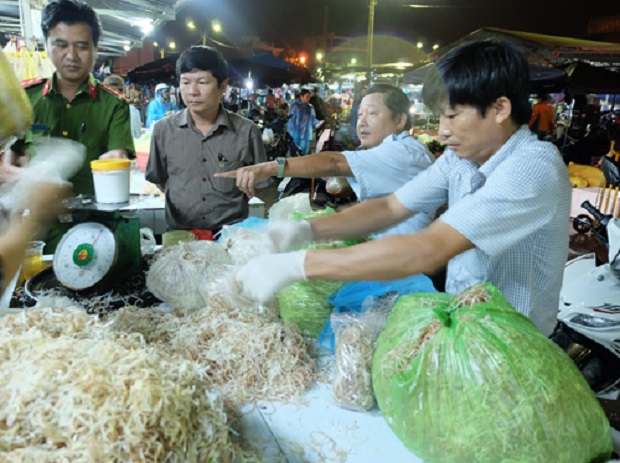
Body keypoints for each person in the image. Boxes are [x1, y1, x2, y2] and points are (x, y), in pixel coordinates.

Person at [232, 40, 571, 337]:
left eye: (452, 116)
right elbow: (391, 207)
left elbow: (428, 249)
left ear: (500, 109)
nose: (441, 133)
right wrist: (306, 230)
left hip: (513, 341)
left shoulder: (532, 166)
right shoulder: (462, 159)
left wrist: (297, 266)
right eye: (439, 118)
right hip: (467, 328)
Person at [217, 83, 435, 239]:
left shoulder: (404, 152)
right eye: (360, 115)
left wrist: (269, 168)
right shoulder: (397, 149)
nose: (362, 122)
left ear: (400, 120)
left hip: (403, 268)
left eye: (373, 114)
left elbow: (335, 163)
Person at [6, 0, 134, 252]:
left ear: (96, 49)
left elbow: (119, 154)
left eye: (82, 46)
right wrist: (16, 174)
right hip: (38, 233)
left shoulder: (114, 104)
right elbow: (10, 156)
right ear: (46, 45)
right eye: (61, 45)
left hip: (98, 231)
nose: (71, 56)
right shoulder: (25, 100)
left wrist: (114, 160)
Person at [145, 45, 267, 233]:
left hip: (230, 236)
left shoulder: (247, 132)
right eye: (185, 83)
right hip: (180, 234)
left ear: (223, 86)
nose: (192, 91)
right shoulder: (163, 130)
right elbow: (160, 180)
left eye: (202, 82)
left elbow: (260, 184)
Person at [288, 89, 322, 155]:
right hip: (296, 134)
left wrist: (319, 123)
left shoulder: (310, 107)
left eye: (309, 97)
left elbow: (313, 120)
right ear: (301, 96)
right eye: (307, 97)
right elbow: (291, 120)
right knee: (296, 152)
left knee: (304, 154)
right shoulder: (294, 106)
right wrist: (291, 132)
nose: (308, 98)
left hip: (306, 135)